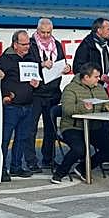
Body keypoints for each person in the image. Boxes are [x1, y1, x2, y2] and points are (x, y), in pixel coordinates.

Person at [52, 64, 109, 184]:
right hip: (73, 127)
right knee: (80, 149)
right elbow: (67, 109)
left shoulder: (99, 88)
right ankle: (59, 173)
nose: (98, 79)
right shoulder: (70, 89)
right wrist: (83, 107)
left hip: (93, 126)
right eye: (96, 76)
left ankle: (83, 168)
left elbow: (105, 105)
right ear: (86, 77)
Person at [0, 31, 41, 180]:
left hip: (28, 104)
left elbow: (38, 77)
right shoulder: (3, 60)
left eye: (29, 44)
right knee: (5, 139)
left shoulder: (31, 58)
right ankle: (0, 168)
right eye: (24, 44)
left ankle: (16, 166)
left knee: (22, 138)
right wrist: (6, 95)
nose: (28, 47)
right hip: (11, 106)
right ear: (15, 44)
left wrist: (37, 83)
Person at [27, 18, 70, 171]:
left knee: (50, 128)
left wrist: (66, 67)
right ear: (37, 31)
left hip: (53, 91)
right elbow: (26, 65)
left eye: (48, 32)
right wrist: (41, 65)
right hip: (36, 93)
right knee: (31, 128)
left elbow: (62, 61)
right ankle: (31, 160)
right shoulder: (31, 44)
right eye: (42, 32)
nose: (45, 36)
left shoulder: (56, 44)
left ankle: (48, 158)